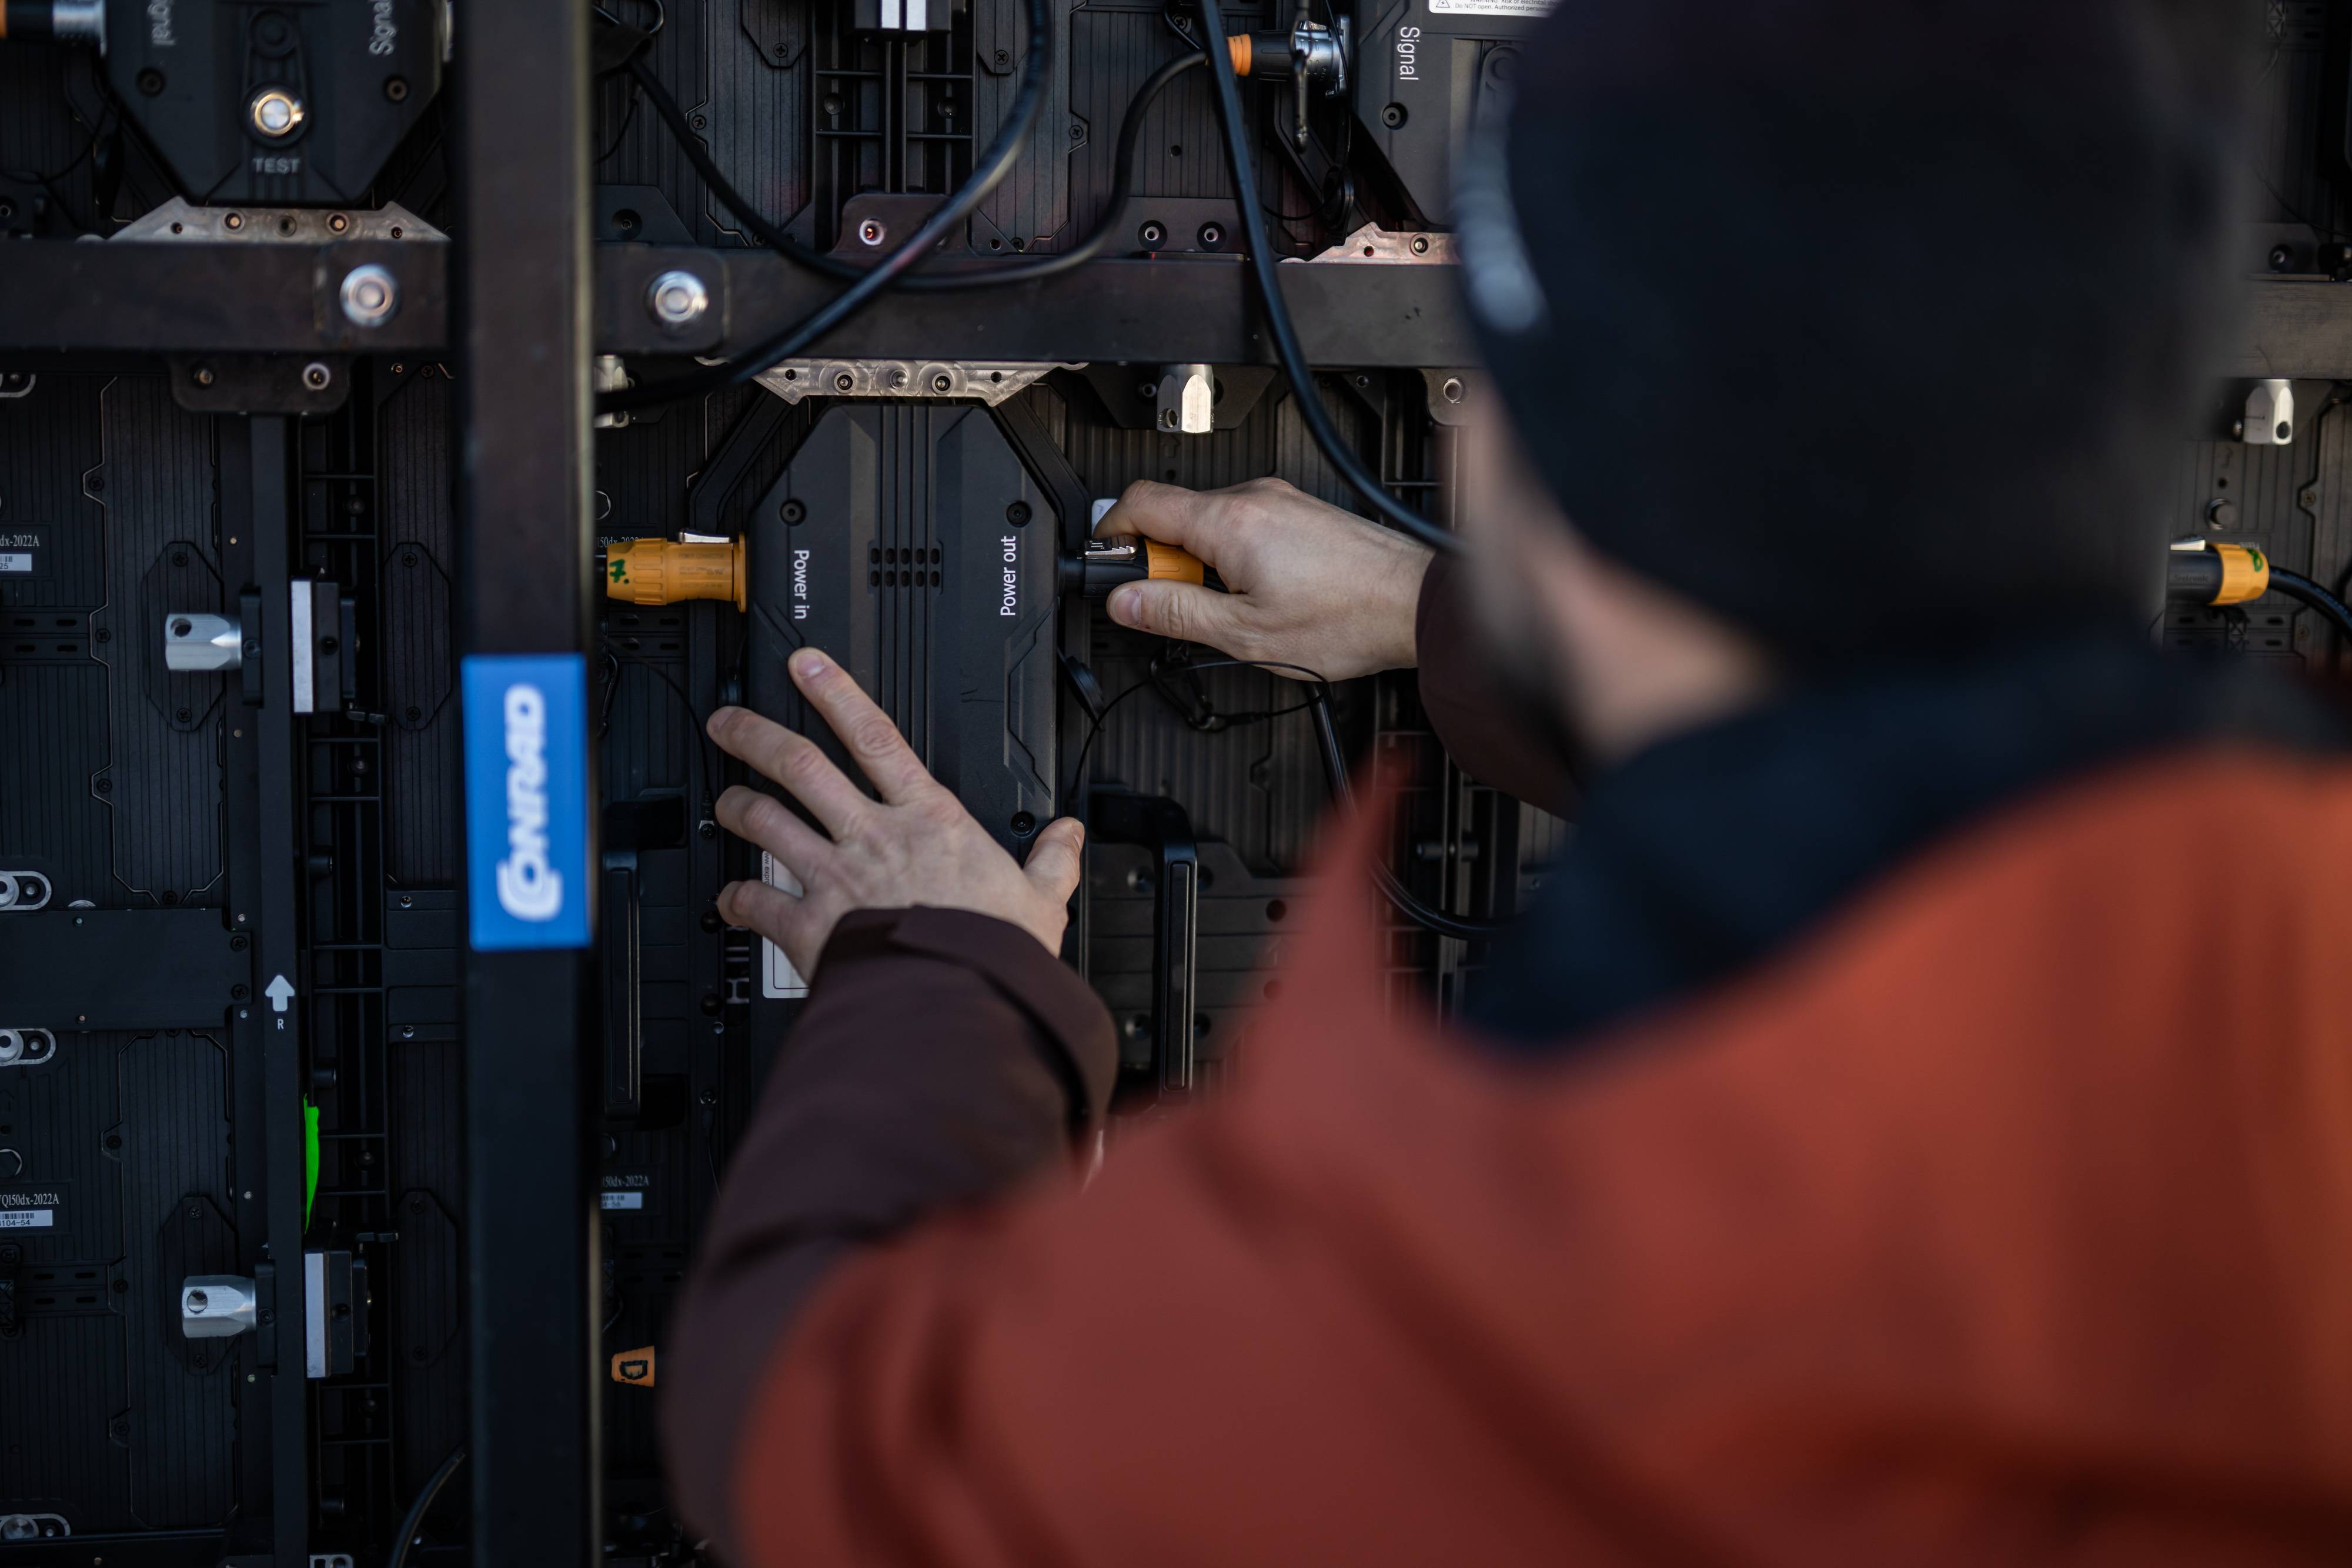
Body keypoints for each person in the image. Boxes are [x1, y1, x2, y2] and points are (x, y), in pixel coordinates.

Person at [664, 1, 2352, 1561]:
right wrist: (1424, 612)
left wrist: (948, 982)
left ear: (1535, 434)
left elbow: (826, 1436)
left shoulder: (1493, 1319)